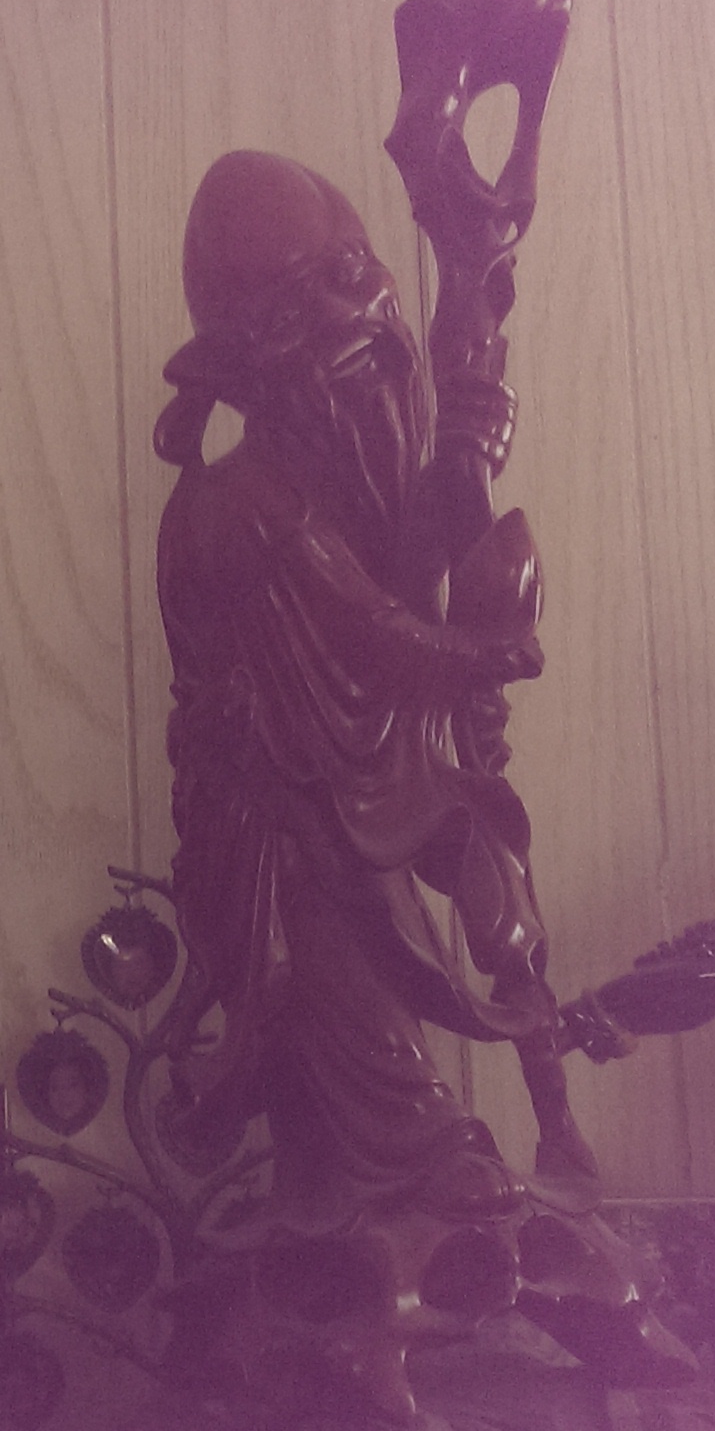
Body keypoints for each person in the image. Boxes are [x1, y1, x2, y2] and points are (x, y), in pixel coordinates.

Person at [153, 148, 555, 1230]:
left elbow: (397, 577)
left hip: (342, 800)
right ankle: (394, 1196)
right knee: (343, 1010)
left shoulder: (329, 476)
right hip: (275, 829)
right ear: (265, 364)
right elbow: (370, 639)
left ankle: (361, 1225)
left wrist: (463, 456)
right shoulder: (239, 503)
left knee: (410, 934)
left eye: (361, 272)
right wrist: (480, 654)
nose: (369, 314)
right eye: (322, 305)